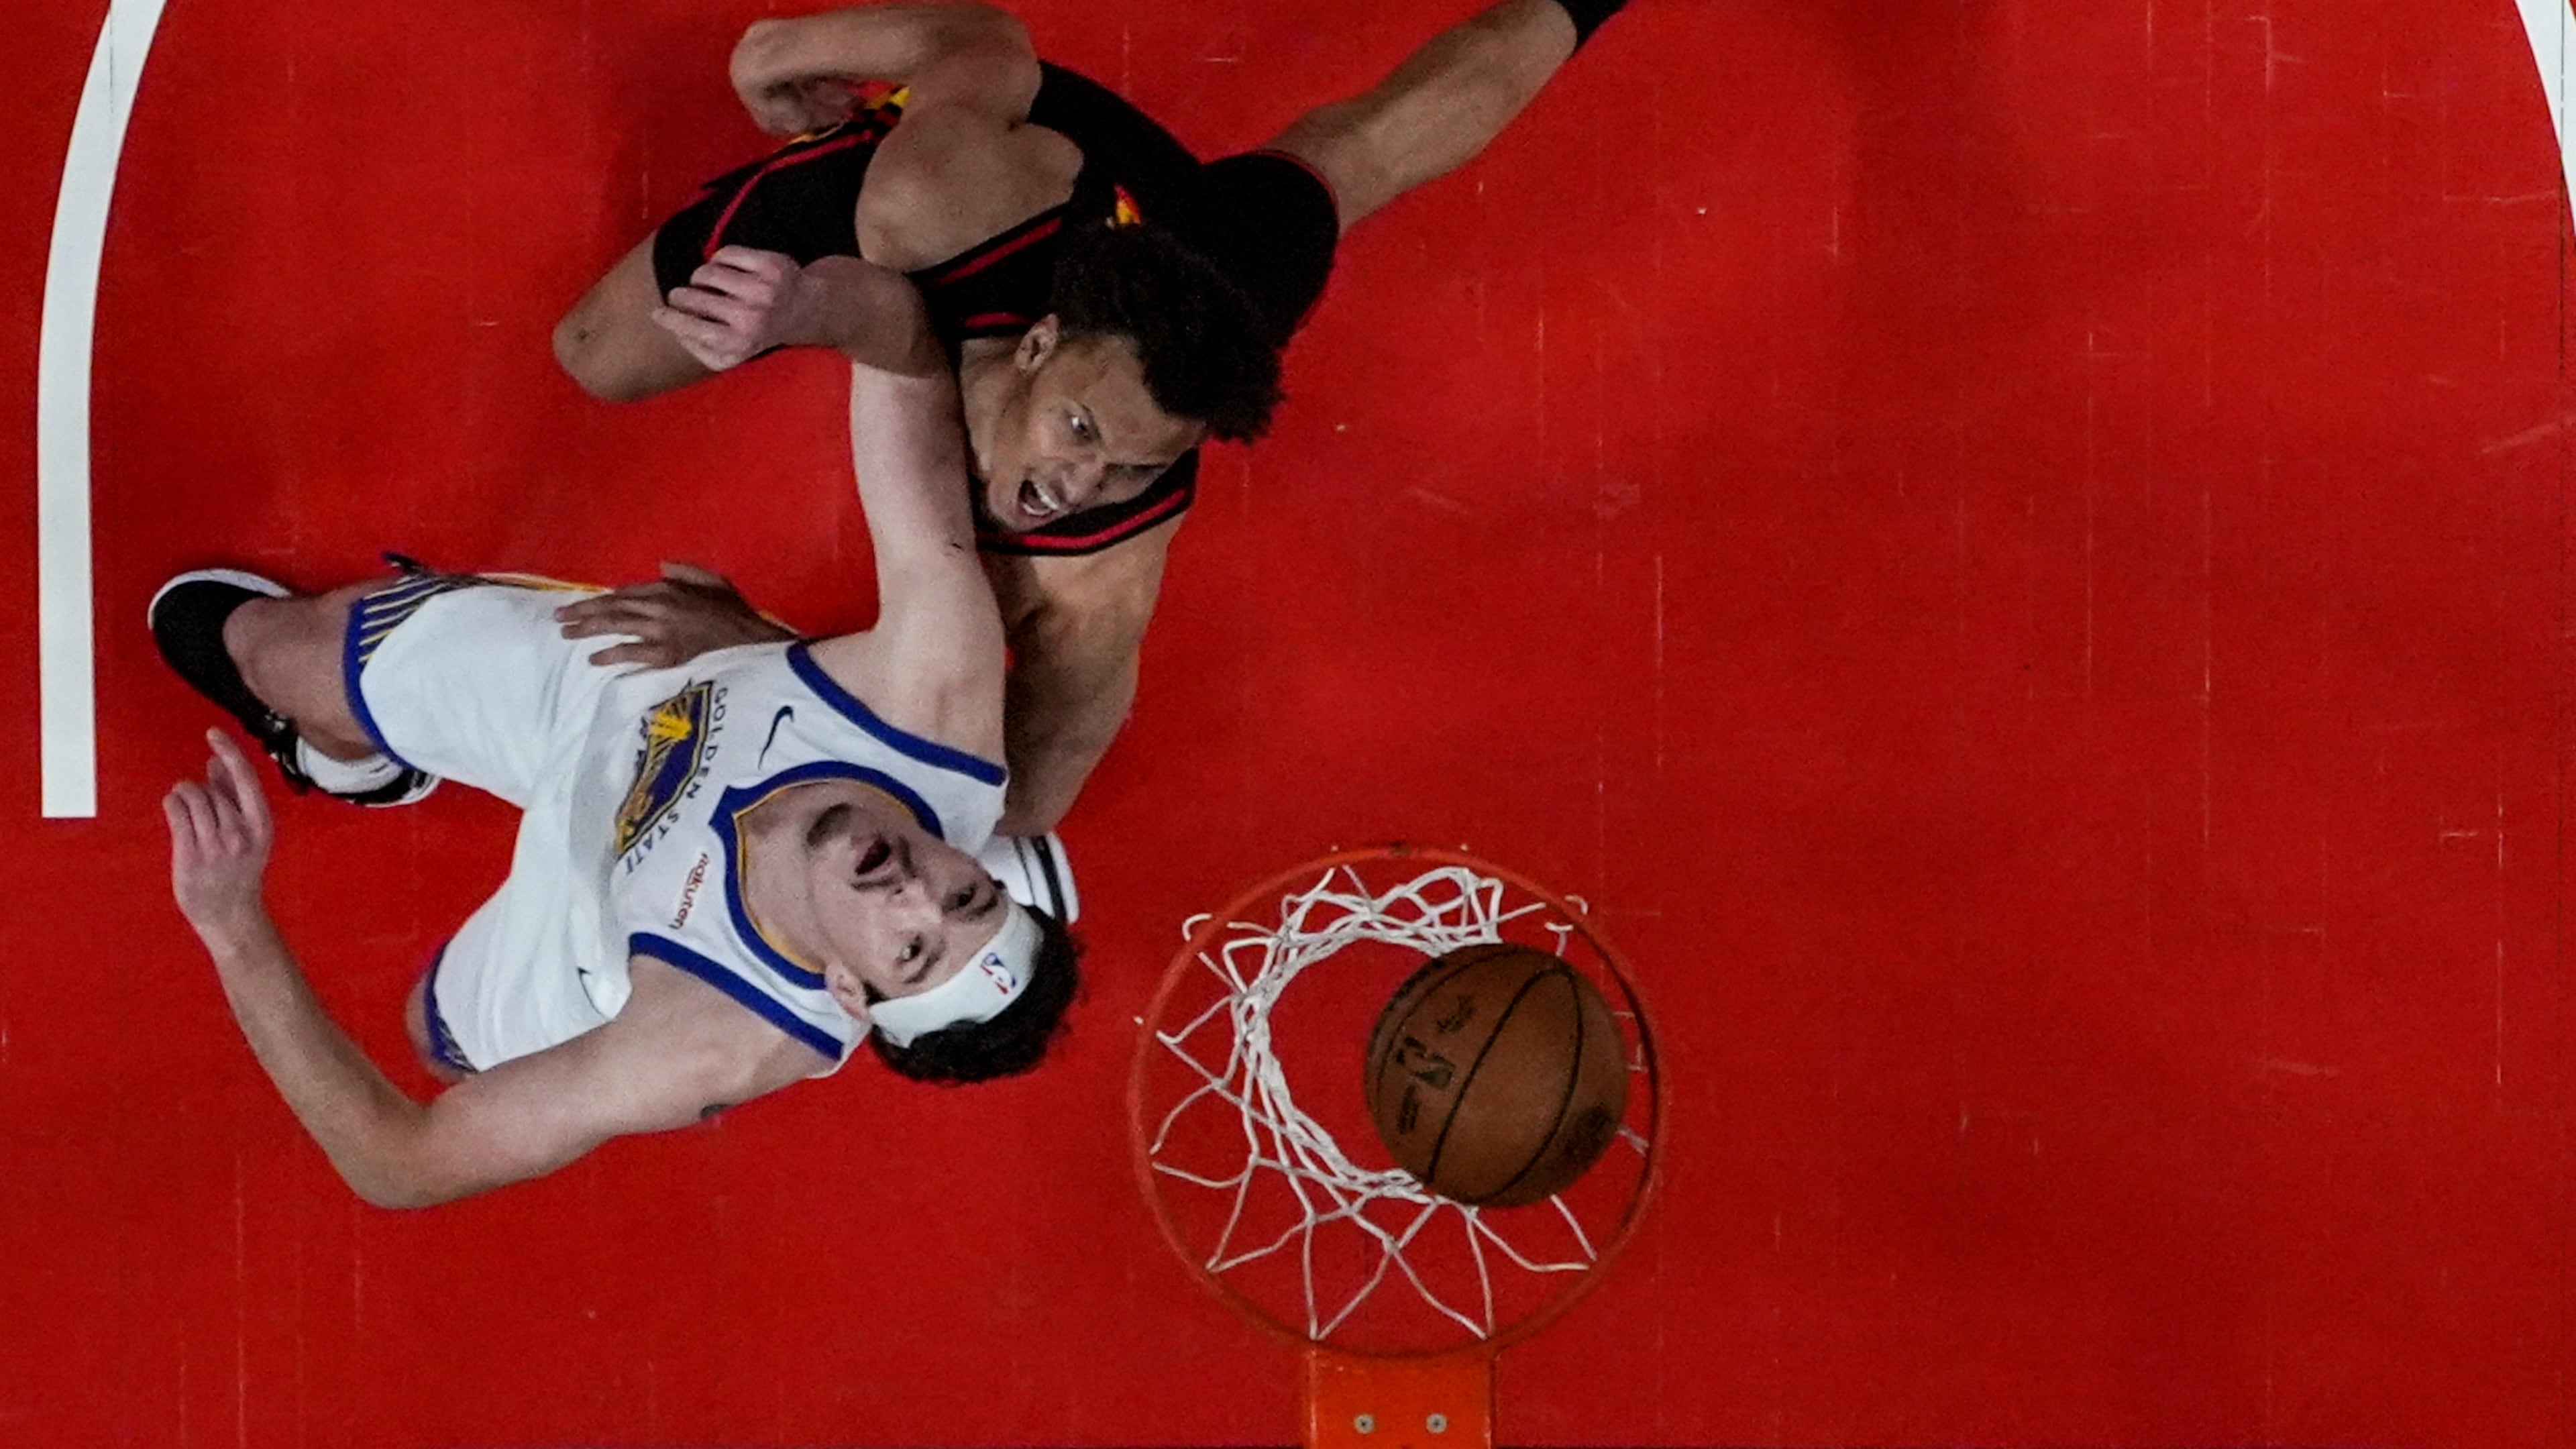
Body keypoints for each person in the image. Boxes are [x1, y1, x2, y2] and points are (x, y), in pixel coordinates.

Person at [546, 0, 1634, 851]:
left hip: (1173, 245)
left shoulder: (1103, 563)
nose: (1078, 481)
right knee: (594, 360)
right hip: (996, 200)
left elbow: (1018, 795)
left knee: (1355, 156)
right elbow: (984, 39)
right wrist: (773, 57)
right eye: (1079, 429)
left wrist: (765, 656)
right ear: (1036, 343)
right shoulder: (943, 196)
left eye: (1123, 468)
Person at [156, 262, 1075, 1209]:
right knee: (256, 648)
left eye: (911, 952)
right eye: (966, 896)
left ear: (848, 993)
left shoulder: (711, 1038)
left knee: (439, 1035)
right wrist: (805, 309)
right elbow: (908, 354)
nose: (917, 893)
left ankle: (370, 755)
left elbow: (401, 1165)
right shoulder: (934, 700)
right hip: (630, 693)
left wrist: (235, 928)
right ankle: (348, 756)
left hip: (592, 925)